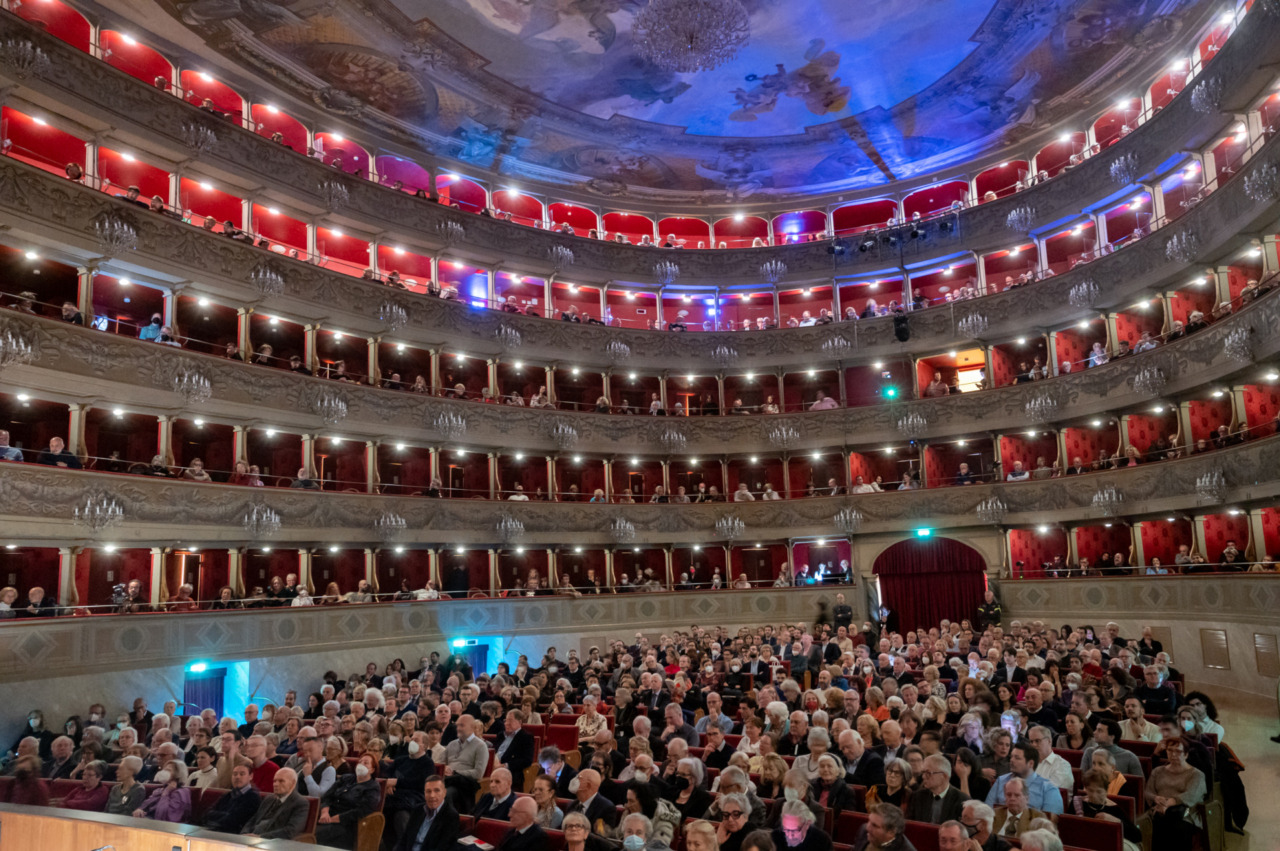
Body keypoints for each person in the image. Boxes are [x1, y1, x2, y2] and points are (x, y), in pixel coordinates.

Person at [1145, 737, 1206, 851]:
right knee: (1152, 823)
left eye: (1178, 751)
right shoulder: (1158, 771)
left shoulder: (1196, 775)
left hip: (1185, 814)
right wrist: (1156, 798)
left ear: (1186, 754)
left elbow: (1191, 796)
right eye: (1170, 750)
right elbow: (1148, 792)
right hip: (1158, 811)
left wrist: (1168, 803)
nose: (1173, 754)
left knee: (1175, 827)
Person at [315, 754, 382, 849]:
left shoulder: (373, 787)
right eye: (360, 762)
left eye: (366, 763)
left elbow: (364, 809)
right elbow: (328, 796)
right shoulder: (346, 778)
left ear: (372, 770)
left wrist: (337, 818)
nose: (361, 764)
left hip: (348, 823)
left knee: (319, 834)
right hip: (327, 816)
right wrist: (324, 812)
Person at [242, 767, 310, 840]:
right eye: (274, 781)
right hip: (252, 838)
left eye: (281, 781)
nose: (276, 784)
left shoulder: (300, 803)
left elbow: (290, 830)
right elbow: (254, 819)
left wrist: (260, 837)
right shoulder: (269, 799)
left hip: (272, 842)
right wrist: (244, 833)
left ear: (293, 783)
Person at [200, 762, 261, 834]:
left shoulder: (253, 797)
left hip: (235, 835)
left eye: (242, 774)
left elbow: (233, 820)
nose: (237, 777)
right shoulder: (228, 794)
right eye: (235, 774)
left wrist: (217, 816)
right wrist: (225, 815)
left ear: (251, 776)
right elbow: (207, 814)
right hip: (217, 829)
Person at [907, 754, 966, 824]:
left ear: (944, 776)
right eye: (923, 772)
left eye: (928, 773)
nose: (923, 777)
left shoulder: (962, 800)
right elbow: (910, 824)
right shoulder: (918, 796)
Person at [851, 803, 916, 851]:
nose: (868, 827)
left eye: (874, 825)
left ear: (891, 832)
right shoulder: (863, 831)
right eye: (869, 821)